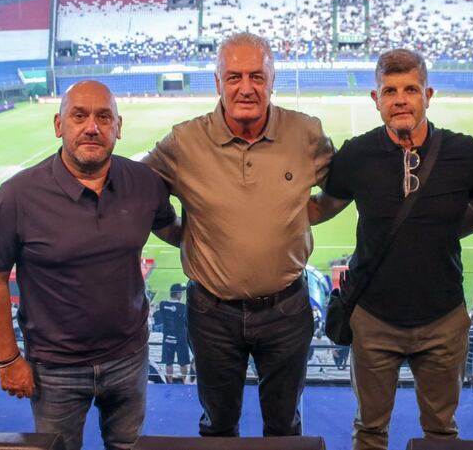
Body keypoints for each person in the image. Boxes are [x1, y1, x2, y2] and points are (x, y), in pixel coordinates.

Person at [143, 32, 335, 437]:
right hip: (212, 314)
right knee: (218, 424)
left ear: (272, 80)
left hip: (286, 309)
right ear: (217, 83)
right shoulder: (183, 141)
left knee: (284, 424)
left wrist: (304, 215)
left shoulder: (306, 134)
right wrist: (183, 235)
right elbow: (136, 188)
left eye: (256, 76)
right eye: (233, 77)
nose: (246, 88)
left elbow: (341, 187)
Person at [0, 80, 180, 450]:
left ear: (118, 125)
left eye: (104, 117)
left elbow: (174, 230)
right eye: (79, 116)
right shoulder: (15, 198)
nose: (92, 127)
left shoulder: (144, 182)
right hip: (55, 370)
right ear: (58, 125)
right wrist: (7, 360)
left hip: (129, 357)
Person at [315, 49, 473, 450]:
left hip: (443, 319)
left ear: (427, 95)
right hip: (374, 319)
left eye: (410, 89)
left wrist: (443, 229)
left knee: (442, 432)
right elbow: (322, 207)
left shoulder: (463, 152)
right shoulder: (357, 154)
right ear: (375, 99)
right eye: (389, 90)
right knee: (370, 430)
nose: (400, 99)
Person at [159, 283, 193, 383]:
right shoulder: (183, 307)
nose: (182, 294)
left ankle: (170, 382)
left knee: (168, 362)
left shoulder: (163, 305)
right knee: (183, 363)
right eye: (181, 292)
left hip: (167, 337)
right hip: (180, 338)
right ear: (178, 294)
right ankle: (183, 381)